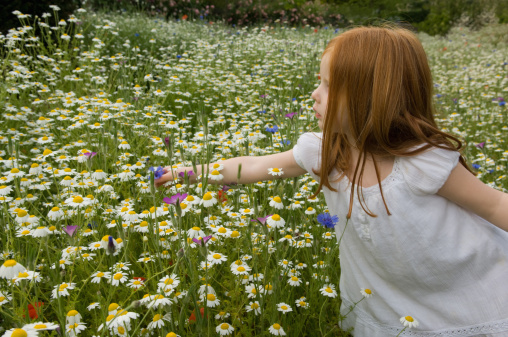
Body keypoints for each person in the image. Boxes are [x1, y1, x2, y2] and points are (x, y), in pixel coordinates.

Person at [155, 26, 508, 336]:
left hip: (466, 286)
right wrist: (195, 173)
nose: (314, 94)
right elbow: (254, 165)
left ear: (371, 96)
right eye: (318, 82)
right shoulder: (325, 153)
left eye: (327, 84)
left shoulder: (422, 161)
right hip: (389, 296)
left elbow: (493, 205)